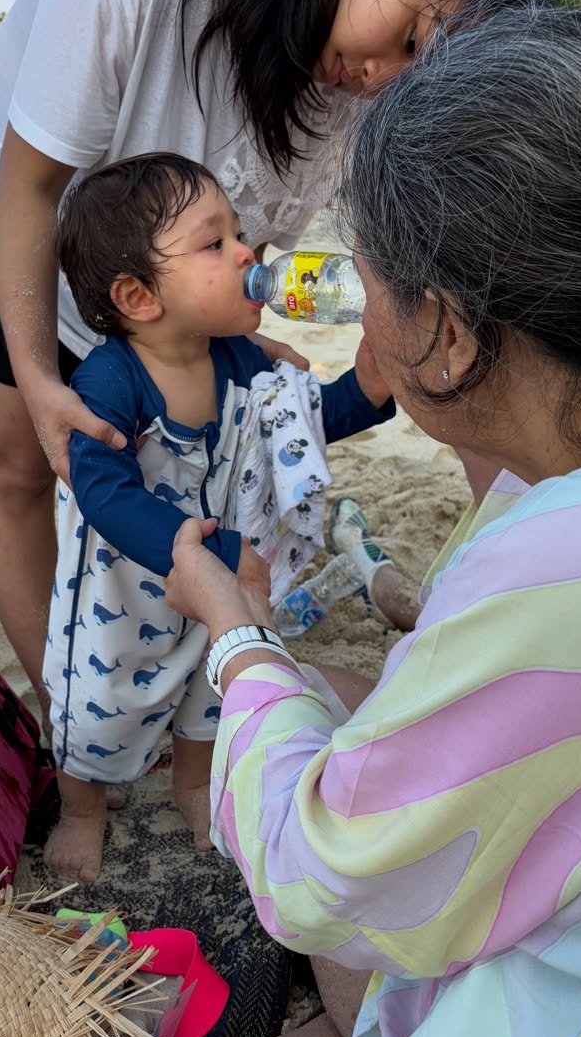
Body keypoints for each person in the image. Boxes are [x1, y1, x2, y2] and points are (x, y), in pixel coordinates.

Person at [0, 0, 581, 1037]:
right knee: (211, 716)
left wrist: (236, 631)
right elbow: (115, 485)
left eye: (368, 286)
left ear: (440, 331)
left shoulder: (565, 560)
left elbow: (320, 875)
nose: (309, 301)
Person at [0, 0, 550, 712]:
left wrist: (534, 537)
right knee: (23, 465)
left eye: (414, 71)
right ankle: (69, 727)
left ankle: (169, 697)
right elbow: (34, 184)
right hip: (10, 215)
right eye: (410, 32)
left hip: (173, 252)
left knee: (179, 473)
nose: (381, 76)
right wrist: (42, 378)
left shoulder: (357, 80)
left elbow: (390, 283)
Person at [42, 152, 394, 882]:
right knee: (98, 705)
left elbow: (297, 426)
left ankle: (196, 783)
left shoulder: (236, 358)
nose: (246, 253)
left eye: (238, 234)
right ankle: (82, 807)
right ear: (140, 296)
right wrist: (197, 548)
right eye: (215, 243)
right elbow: (101, 491)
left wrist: (364, 386)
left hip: (222, 570)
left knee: (213, 684)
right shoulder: (111, 380)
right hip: (122, 590)